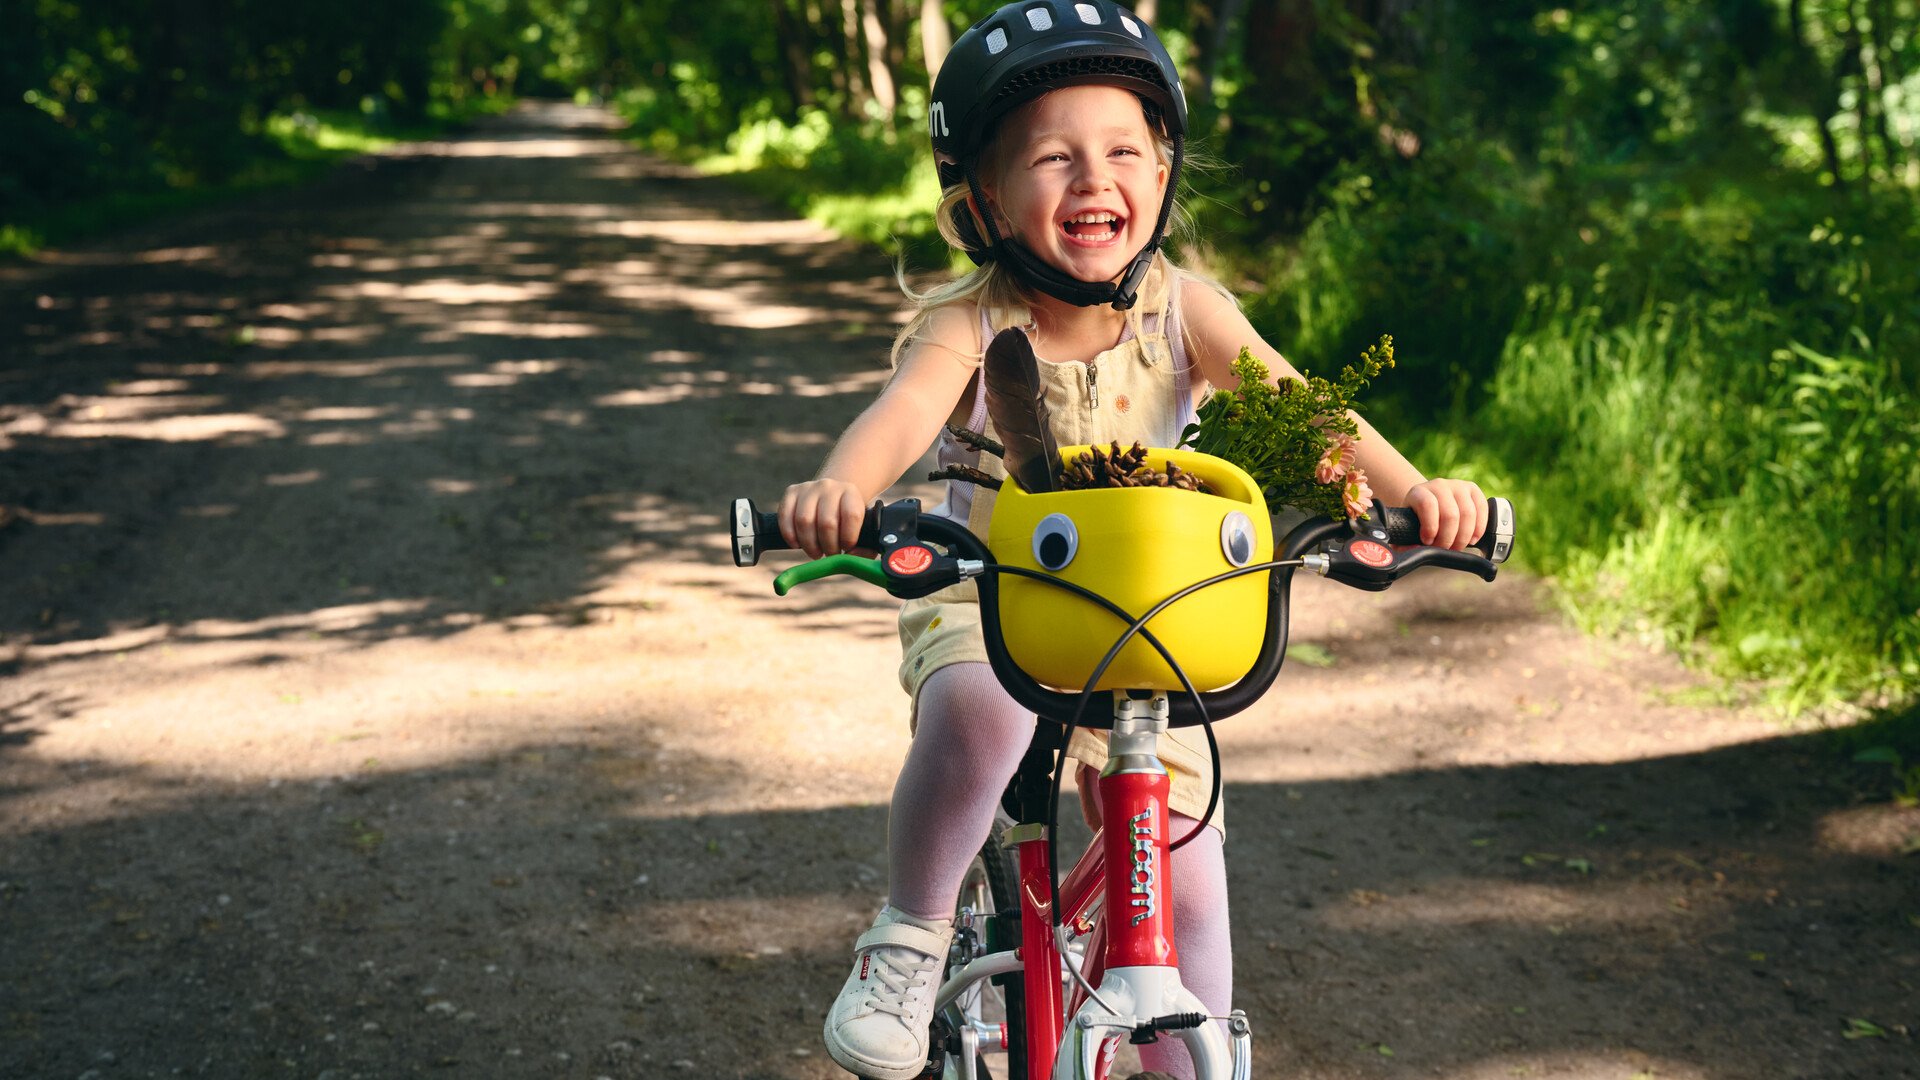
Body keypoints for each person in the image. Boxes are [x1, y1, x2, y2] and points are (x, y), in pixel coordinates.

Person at [779, 4, 1488, 1078]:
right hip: (994, 598)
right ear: (982, 201)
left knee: (1188, 858)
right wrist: (843, 487)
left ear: (1161, 175)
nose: (1092, 179)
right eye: (1051, 158)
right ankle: (909, 938)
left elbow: (1307, 419)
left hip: (1154, 620)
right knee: (978, 715)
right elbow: (901, 414)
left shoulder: (1185, 311)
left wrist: (1411, 494)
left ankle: (1190, 1044)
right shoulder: (971, 322)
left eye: (1123, 151)